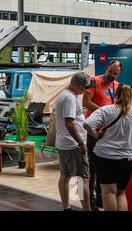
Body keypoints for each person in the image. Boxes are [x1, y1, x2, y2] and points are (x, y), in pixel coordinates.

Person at [83, 84, 132, 211]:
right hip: (126, 160)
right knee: (120, 193)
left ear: (115, 95)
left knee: (108, 192)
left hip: (104, 157)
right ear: (130, 97)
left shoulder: (105, 110)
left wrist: (96, 134)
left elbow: (87, 123)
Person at [83, 60, 122, 210]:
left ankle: (100, 197)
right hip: (94, 131)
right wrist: (104, 112)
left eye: (115, 73)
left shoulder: (117, 86)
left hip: (108, 131)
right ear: (106, 68)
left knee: (104, 166)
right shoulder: (94, 81)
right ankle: (90, 199)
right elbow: (86, 102)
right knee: (92, 165)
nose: (111, 75)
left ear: (119, 74)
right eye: (110, 72)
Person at [55, 72, 92, 211]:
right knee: (83, 180)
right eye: (84, 88)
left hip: (64, 143)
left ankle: (66, 207)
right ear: (77, 86)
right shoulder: (69, 98)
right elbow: (69, 123)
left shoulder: (64, 94)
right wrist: (81, 143)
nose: (86, 91)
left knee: (65, 176)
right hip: (73, 145)